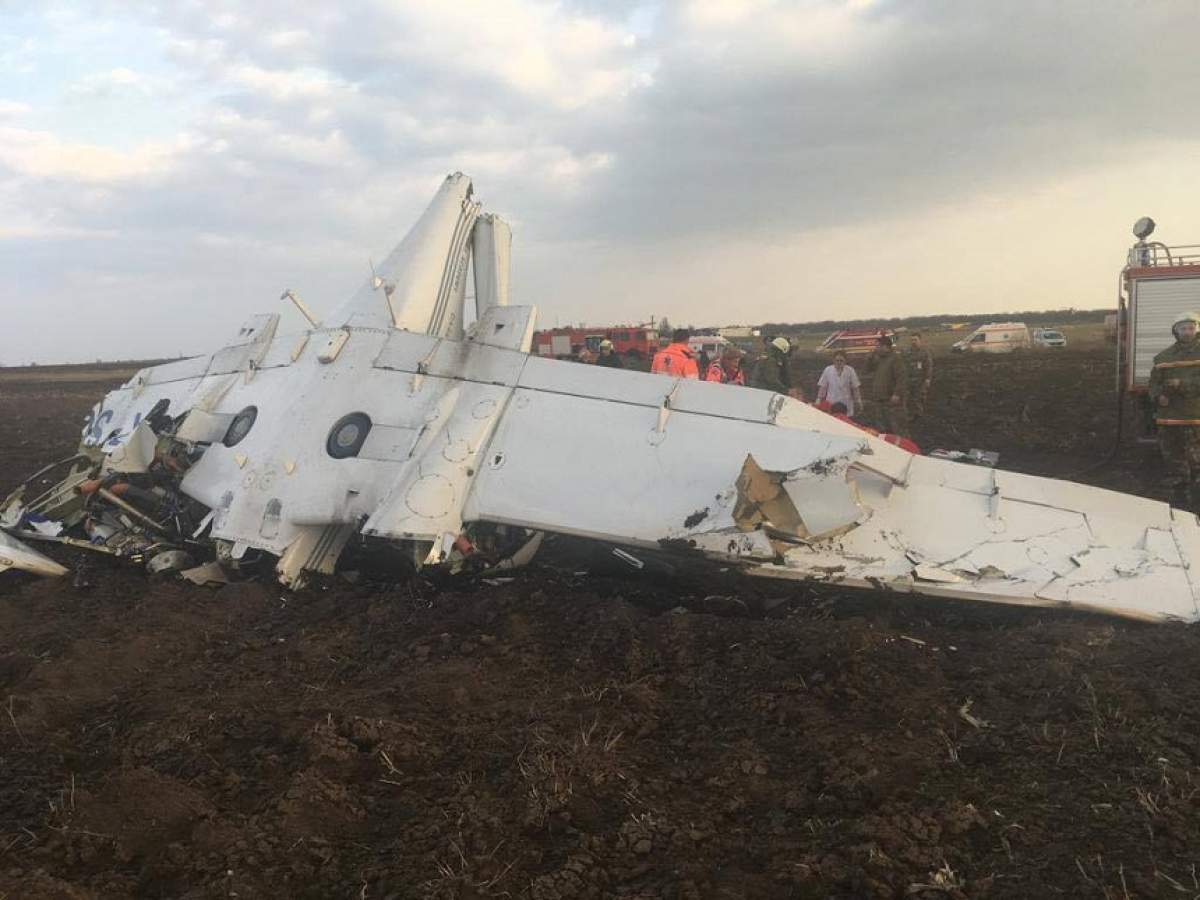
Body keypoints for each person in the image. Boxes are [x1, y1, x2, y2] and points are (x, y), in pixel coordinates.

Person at [1150, 311, 1200, 509]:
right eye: (1183, 329)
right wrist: (1158, 396)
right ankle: (1179, 502)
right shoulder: (1163, 357)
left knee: (1197, 461)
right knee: (1174, 461)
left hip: (1196, 418)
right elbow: (1154, 383)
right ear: (1176, 331)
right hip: (1169, 420)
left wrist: (1182, 384)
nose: (1187, 332)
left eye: (1191, 328)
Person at [865, 335, 909, 436]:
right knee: (882, 429)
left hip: (892, 401)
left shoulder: (896, 359)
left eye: (878, 346)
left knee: (897, 427)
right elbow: (867, 370)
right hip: (880, 400)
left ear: (886, 347)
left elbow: (901, 378)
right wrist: (869, 358)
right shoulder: (878, 359)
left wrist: (897, 394)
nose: (876, 349)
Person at [816, 351, 863, 417]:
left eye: (841, 360)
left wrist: (858, 401)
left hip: (846, 402)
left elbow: (855, 387)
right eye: (837, 360)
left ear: (845, 361)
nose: (839, 362)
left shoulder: (850, 370)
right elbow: (823, 387)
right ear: (833, 360)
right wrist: (818, 399)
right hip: (831, 402)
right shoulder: (828, 370)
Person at [906, 333, 934, 418]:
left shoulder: (925, 352)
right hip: (909, 379)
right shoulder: (907, 352)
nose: (913, 342)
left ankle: (919, 415)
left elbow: (928, 366)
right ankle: (911, 414)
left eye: (915, 340)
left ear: (920, 341)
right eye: (912, 340)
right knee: (909, 398)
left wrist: (928, 378)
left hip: (920, 379)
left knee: (919, 397)